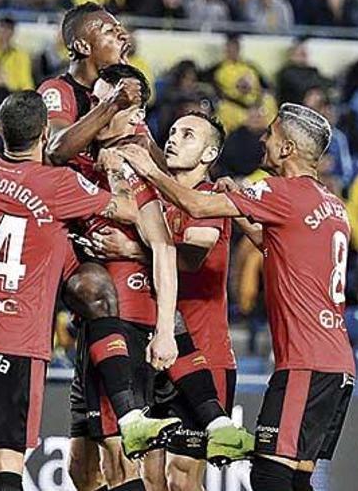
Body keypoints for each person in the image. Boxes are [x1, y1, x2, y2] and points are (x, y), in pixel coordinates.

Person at [0, 91, 171, 491]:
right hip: (18, 343)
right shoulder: (59, 184)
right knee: (7, 463)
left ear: (1, 132)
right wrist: (119, 167)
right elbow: (124, 209)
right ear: (44, 133)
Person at [121, 103, 356, 491]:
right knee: (296, 482)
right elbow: (273, 241)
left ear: (287, 150)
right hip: (335, 363)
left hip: (304, 363)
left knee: (269, 478)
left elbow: (196, 204)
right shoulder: (332, 205)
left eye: (272, 135)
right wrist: (245, 212)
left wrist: (148, 170)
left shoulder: (279, 190)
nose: (263, 139)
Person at [35, 5, 183, 491]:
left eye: (121, 25)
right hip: (66, 243)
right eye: (105, 28)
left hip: (115, 258)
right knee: (98, 290)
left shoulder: (130, 107)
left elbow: (157, 177)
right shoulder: (59, 93)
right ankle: (130, 413)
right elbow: (55, 149)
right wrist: (111, 105)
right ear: (80, 46)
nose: (120, 31)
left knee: (84, 457)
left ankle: (130, 412)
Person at [90, 112, 251, 490]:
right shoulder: (154, 199)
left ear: (209, 153)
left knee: (182, 478)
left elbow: (191, 258)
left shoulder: (213, 200)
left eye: (188, 134)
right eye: (174, 131)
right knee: (148, 477)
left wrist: (132, 247)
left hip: (204, 352)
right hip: (153, 347)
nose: (174, 139)